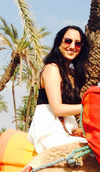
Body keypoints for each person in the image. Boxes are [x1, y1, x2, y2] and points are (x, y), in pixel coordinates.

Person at [28, 25, 89, 153]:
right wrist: (91, 107)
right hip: (48, 131)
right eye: (68, 41)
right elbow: (57, 109)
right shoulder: (52, 69)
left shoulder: (72, 73)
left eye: (78, 44)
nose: (72, 46)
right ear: (59, 43)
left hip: (65, 131)